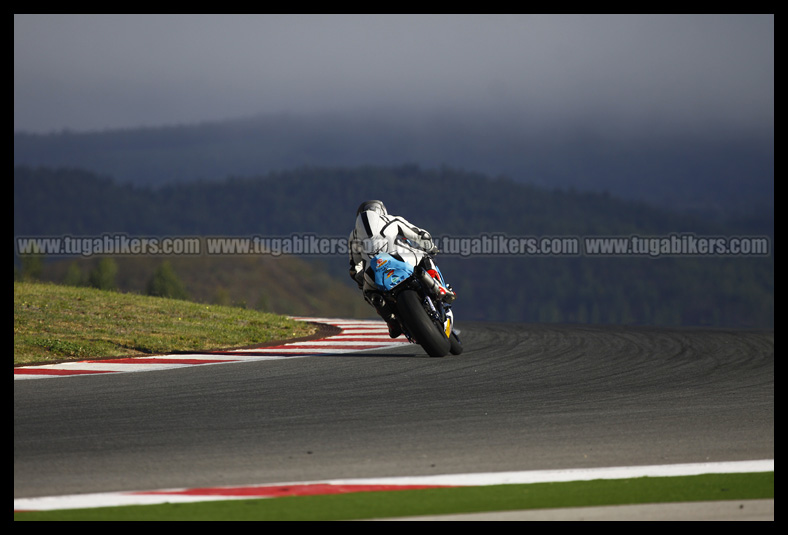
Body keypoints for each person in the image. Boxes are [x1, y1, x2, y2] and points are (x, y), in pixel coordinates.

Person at [348, 200, 455, 338]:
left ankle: (391, 322)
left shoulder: (354, 236)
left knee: (370, 294)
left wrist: (361, 281)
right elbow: (420, 234)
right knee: (424, 257)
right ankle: (440, 288)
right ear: (381, 211)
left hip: (373, 271)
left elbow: (354, 267)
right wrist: (430, 247)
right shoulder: (391, 220)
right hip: (399, 257)